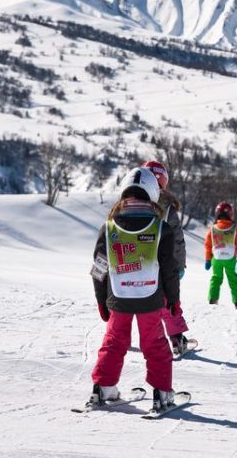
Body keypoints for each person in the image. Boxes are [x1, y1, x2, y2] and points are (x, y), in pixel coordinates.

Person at [89, 167, 179, 411]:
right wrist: (173, 300)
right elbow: (169, 271)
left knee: (114, 341)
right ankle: (162, 393)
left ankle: (103, 388)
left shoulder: (108, 229)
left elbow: (99, 270)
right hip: (150, 299)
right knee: (155, 344)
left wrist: (101, 300)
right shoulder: (161, 228)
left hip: (118, 297)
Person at [142, 160, 191, 354]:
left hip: (133, 259)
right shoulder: (167, 207)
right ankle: (177, 338)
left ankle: (122, 337)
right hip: (161, 262)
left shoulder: (129, 201)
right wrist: (179, 265)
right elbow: (177, 239)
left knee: (128, 298)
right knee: (167, 301)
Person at [204, 202, 237, 307]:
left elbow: (208, 245)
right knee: (233, 279)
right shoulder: (236, 228)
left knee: (216, 278)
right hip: (231, 259)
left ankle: (213, 299)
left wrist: (208, 259)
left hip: (216, 258)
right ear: (230, 214)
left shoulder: (212, 229)